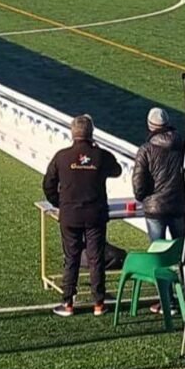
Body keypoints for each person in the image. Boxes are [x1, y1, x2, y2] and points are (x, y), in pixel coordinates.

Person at [42, 114, 122, 318]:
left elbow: (48, 184)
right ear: (91, 133)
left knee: (71, 258)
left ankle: (68, 302)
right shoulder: (101, 156)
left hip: (70, 215)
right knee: (96, 258)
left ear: (72, 133)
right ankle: (98, 303)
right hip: (95, 214)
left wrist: (59, 202)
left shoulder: (62, 156)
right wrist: (97, 150)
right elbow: (117, 170)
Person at [132, 107, 185, 314]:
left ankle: (167, 301)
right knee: (181, 253)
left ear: (150, 126)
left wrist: (144, 197)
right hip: (179, 206)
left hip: (155, 208)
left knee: (160, 255)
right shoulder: (182, 145)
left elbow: (138, 183)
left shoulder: (146, 149)